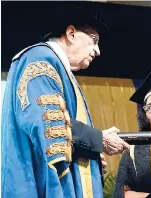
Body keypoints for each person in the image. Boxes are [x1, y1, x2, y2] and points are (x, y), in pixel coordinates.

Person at [1, 7, 129, 198]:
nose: (98, 51)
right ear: (71, 33)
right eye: (94, 41)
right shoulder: (40, 59)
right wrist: (98, 139)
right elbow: (50, 127)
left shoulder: (58, 66)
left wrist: (90, 155)